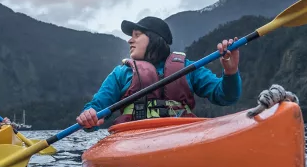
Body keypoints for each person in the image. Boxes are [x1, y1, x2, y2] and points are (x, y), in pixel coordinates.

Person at [76, 16, 241, 129]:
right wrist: (89, 116)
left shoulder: (188, 68)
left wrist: (230, 71)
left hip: (181, 135)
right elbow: (96, 107)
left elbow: (226, 97)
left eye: (137, 35)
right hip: (132, 138)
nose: (130, 40)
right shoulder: (121, 73)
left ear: (154, 38)